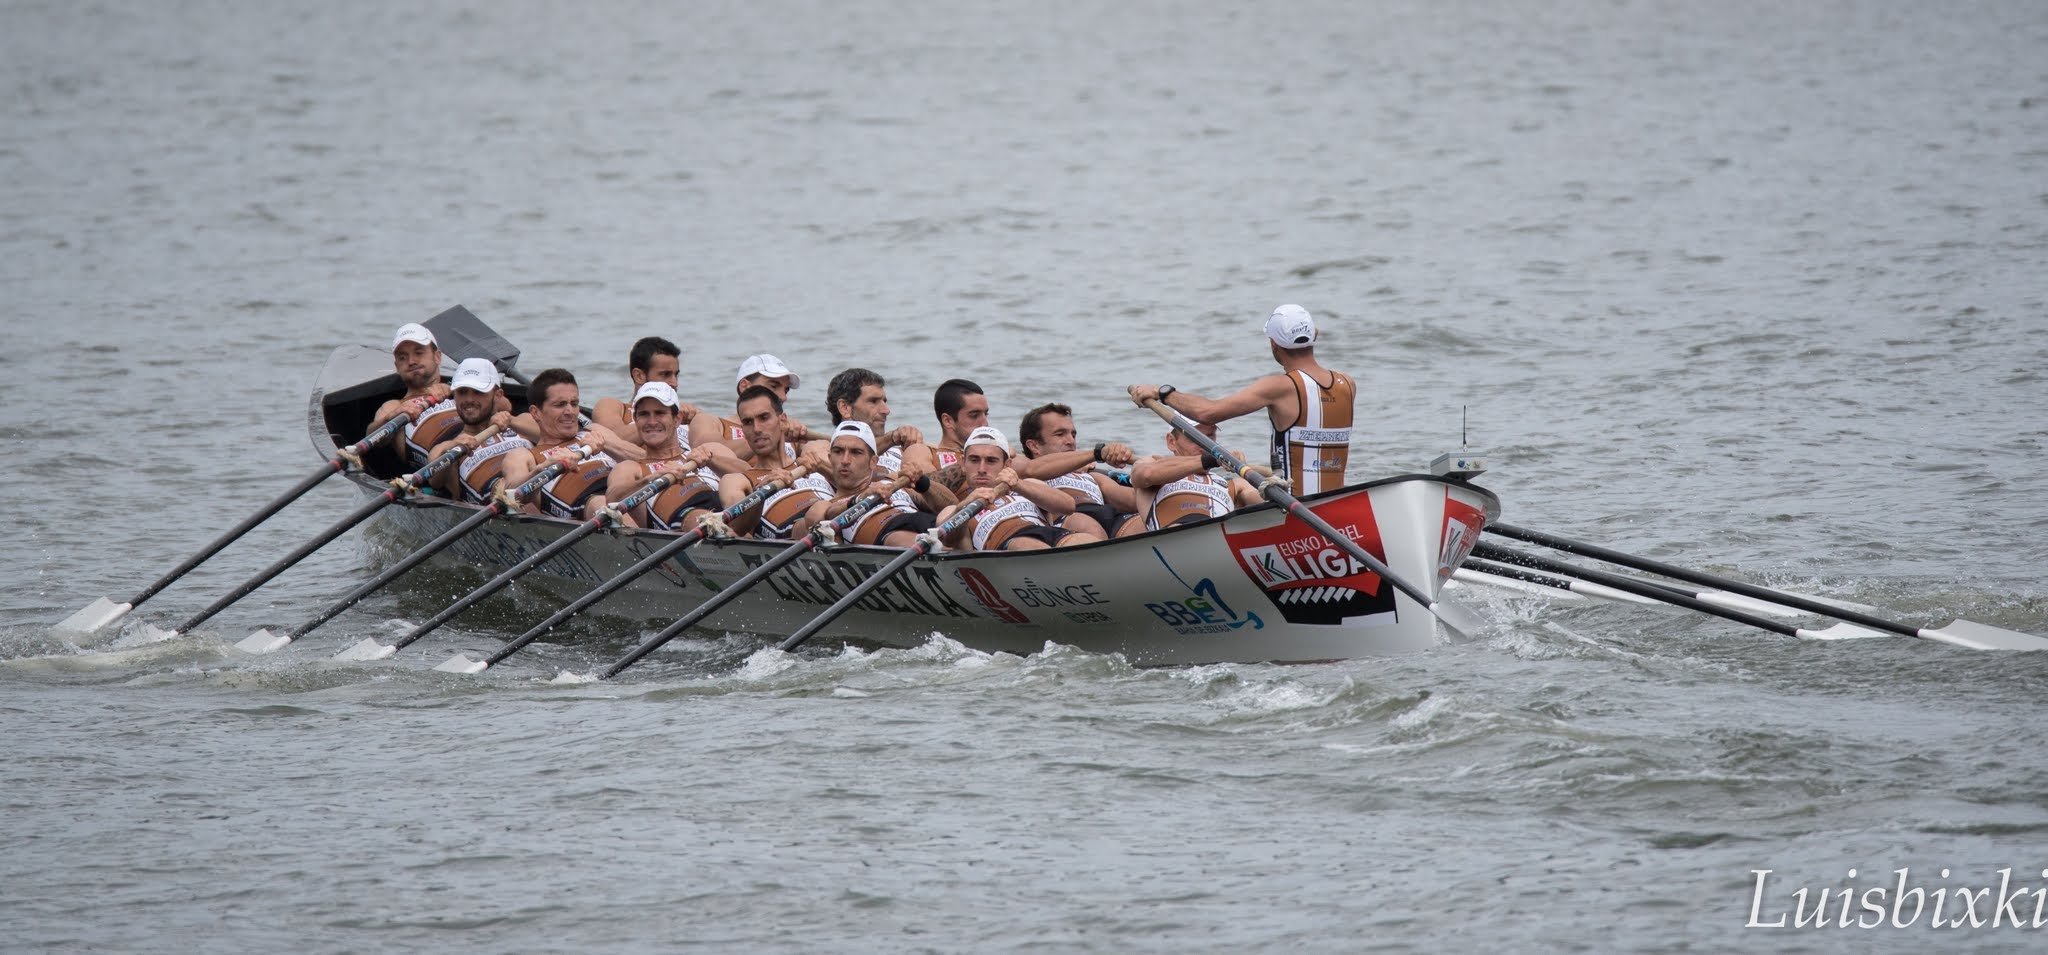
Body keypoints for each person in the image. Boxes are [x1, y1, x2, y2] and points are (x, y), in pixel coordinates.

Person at [1127, 304, 1356, 494]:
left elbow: (1208, 413)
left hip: (1295, 506)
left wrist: (1162, 393)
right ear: (1313, 335)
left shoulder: (1278, 386)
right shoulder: (1346, 383)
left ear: (1273, 343)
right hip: (1336, 500)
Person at [935, 427, 1101, 551]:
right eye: (974, 460)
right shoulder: (952, 509)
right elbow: (947, 539)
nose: (982, 468)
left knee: (1083, 540)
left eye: (991, 461)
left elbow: (1068, 506)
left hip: (1049, 535)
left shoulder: (1027, 485)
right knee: (1023, 544)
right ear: (963, 464)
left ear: (1006, 465)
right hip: (1005, 551)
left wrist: (1019, 485)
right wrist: (963, 507)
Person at [602, 381, 733, 530]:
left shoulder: (705, 452)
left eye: (659, 413)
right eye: (644, 414)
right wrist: (650, 479)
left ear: (677, 419)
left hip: (725, 510)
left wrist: (713, 461)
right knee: (697, 516)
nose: (651, 422)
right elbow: (612, 499)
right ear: (636, 420)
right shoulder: (631, 468)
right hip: (687, 520)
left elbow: (749, 476)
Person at [821, 367, 958, 510]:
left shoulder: (900, 451)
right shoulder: (825, 449)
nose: (886, 410)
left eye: (884, 401)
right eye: (873, 401)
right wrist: (892, 438)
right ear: (844, 408)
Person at [793, 421, 940, 547]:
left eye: (855, 452)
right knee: (896, 538)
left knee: (948, 514)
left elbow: (948, 503)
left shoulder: (891, 483)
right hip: (890, 535)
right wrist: (859, 499)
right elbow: (816, 520)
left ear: (873, 462)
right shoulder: (827, 505)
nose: (845, 460)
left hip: (922, 522)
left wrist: (923, 483)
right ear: (830, 459)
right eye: (838, 451)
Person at [498, 368, 614, 519]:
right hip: (591, 506)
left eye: (574, 403)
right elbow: (511, 496)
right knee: (601, 503)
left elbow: (643, 458)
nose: (570, 411)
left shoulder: (594, 432)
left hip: (626, 492)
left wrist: (609, 446)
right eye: (560, 405)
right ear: (535, 412)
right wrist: (545, 467)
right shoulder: (523, 455)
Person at [1015, 402, 1138, 539]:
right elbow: (1031, 469)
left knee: (1139, 523)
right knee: (1085, 524)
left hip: (1107, 514)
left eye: (1073, 434)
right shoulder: (1023, 468)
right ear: (1034, 445)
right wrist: (1097, 453)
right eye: (1060, 434)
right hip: (1066, 520)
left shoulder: (1092, 475)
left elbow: (1130, 499)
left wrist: (1151, 473)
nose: (1070, 441)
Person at [1121, 421, 1262, 536]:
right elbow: (1145, 475)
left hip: (1218, 536)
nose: (1204, 445)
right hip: (1175, 537)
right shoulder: (1152, 464)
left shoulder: (1234, 485)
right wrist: (1210, 460)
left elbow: (1263, 500)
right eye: (1195, 438)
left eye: (1210, 437)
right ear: (1171, 441)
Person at [425, 358, 527, 504]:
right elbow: (435, 481)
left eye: (478, 392)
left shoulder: (521, 423)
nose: (469, 399)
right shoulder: (444, 448)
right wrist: (453, 448)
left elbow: (556, 433)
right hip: (500, 505)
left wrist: (511, 421)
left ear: (497, 395)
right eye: (462, 392)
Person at [366, 322, 461, 469]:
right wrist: (392, 417)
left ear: (437, 357)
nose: (411, 362)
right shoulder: (394, 406)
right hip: (449, 464)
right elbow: (372, 440)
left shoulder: (462, 389)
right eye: (403, 357)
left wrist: (456, 392)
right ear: (397, 367)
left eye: (418, 353)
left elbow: (503, 405)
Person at [591, 336, 704, 455]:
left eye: (676, 375)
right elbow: (611, 442)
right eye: (665, 375)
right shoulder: (613, 406)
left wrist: (700, 420)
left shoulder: (686, 414)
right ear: (639, 376)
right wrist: (666, 419)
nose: (674, 383)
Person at [693, 354, 824, 453]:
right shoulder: (711, 422)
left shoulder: (791, 430)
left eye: (786, 389)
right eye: (773, 386)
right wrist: (773, 435)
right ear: (745, 387)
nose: (783, 397)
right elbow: (708, 454)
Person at [929, 378, 989, 468]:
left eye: (986, 414)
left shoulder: (999, 455)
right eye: (974, 416)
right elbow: (924, 480)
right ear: (948, 421)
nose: (985, 424)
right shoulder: (929, 454)